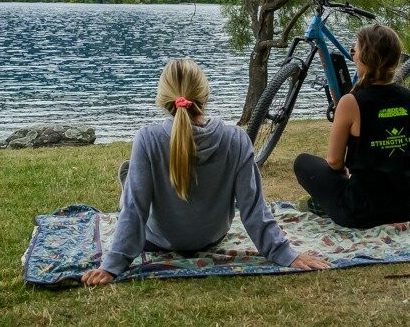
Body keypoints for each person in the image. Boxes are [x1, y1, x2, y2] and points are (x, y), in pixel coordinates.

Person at [82, 58, 328, 285]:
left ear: (163, 97)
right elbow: (254, 208)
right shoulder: (237, 140)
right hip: (211, 238)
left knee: (129, 173)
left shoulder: (148, 139)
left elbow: (135, 210)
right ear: (204, 94)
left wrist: (112, 265)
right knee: (133, 172)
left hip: (157, 242)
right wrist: (285, 254)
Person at [293, 24, 410, 228]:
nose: (353, 53)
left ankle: (325, 204)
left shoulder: (351, 102)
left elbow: (334, 161)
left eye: (354, 49)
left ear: (363, 57)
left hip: (362, 210)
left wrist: (345, 179)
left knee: (302, 162)